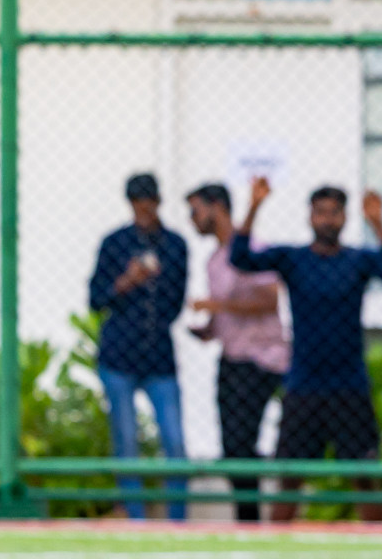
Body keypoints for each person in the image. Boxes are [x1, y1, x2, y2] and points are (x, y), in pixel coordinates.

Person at [231, 180, 382, 523]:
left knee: (364, 476)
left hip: (349, 385)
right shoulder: (293, 259)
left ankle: (379, 542)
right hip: (304, 385)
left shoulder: (357, 260)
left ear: (344, 218)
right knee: (290, 479)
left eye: (334, 213)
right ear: (310, 217)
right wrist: (254, 206)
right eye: (321, 213)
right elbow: (240, 257)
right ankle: (275, 545)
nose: (327, 220)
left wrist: (377, 222)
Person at [87, 173, 189, 522]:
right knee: (127, 441)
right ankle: (136, 519)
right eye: (137, 205)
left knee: (174, 442)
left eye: (148, 204)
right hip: (120, 357)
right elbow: (96, 299)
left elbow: (175, 303)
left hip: (158, 357)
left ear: (158, 202)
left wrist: (155, 288)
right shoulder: (114, 243)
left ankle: (177, 520)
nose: (143, 211)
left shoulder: (175, 245)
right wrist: (127, 282)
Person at [186, 183, 290, 523]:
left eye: (196, 210)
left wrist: (218, 306)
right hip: (231, 359)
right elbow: (223, 317)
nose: (192, 219)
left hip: (262, 359)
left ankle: (259, 517)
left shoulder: (255, 250)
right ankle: (247, 519)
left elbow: (269, 300)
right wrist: (207, 329)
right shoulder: (213, 262)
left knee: (246, 441)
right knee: (233, 448)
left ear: (217, 207)